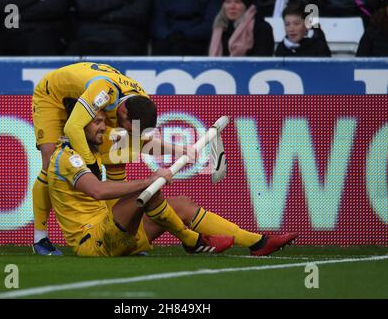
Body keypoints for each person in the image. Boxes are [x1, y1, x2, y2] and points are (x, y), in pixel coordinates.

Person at [47, 111, 299, 257]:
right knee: (151, 192)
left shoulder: (91, 142)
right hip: (93, 243)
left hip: (116, 231)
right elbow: (98, 190)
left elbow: (139, 143)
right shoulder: (67, 157)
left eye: (103, 120)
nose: (103, 127)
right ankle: (192, 240)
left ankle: (258, 242)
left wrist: (182, 150)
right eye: (96, 122)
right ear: (77, 125)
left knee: (182, 204)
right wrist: (148, 180)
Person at [31, 62, 160, 255]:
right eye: (126, 127)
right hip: (53, 96)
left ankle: (116, 235)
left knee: (118, 157)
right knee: (50, 163)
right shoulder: (104, 91)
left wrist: (183, 150)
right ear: (124, 112)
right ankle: (40, 239)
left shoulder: (141, 103)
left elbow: (140, 143)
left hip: (89, 97)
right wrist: (90, 164)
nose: (126, 132)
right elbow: (72, 128)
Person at [0, 0, 70, 56]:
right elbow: (0, 5)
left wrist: (16, 12)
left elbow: (57, 6)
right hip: (12, 31)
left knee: (40, 41)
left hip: (46, 32)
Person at [66, 0, 152, 56]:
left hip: (124, 36)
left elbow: (138, 13)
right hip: (88, 36)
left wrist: (101, 16)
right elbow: (84, 7)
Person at [151, 0, 222, 56]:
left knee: (180, 48)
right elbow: (157, 22)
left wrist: (185, 34)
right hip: (167, 39)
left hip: (196, 40)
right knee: (161, 48)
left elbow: (211, 23)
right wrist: (168, 35)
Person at [209, 0, 275, 56]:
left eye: (237, 2)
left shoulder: (262, 28)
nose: (232, 7)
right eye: (228, 2)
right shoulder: (219, 27)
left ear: (246, 5)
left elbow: (262, 61)